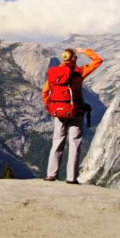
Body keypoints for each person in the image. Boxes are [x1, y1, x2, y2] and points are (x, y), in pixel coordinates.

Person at [42, 47, 103, 184]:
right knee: (74, 143)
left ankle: (51, 174)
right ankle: (71, 178)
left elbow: (45, 93)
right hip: (75, 112)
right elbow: (98, 60)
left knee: (57, 142)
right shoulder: (78, 72)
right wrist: (84, 51)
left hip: (58, 112)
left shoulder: (53, 74)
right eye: (76, 57)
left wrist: (50, 108)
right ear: (74, 59)